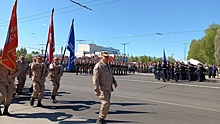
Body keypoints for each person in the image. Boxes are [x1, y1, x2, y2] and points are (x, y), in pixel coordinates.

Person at [93, 51, 118, 124]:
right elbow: (95, 78)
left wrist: (114, 82)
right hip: (102, 88)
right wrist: (96, 89)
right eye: (106, 57)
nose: (107, 58)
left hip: (108, 88)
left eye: (108, 57)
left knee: (106, 104)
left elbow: (111, 75)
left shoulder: (107, 65)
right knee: (106, 103)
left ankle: (102, 119)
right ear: (101, 57)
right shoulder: (98, 66)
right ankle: (100, 119)